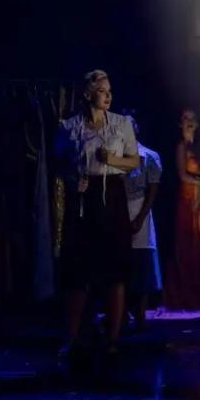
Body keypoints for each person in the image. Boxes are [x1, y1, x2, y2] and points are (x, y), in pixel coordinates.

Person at [54, 70, 140, 360]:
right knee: (78, 271)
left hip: (112, 195)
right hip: (84, 198)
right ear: (88, 94)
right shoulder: (69, 127)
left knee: (115, 268)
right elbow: (58, 163)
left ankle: (113, 338)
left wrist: (112, 159)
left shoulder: (121, 124)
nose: (108, 96)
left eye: (109, 91)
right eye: (102, 91)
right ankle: (71, 337)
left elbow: (133, 161)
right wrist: (71, 179)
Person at [163, 109, 200, 310]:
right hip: (187, 200)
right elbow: (183, 176)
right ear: (180, 123)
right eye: (185, 118)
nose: (189, 122)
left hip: (199, 200)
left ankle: (199, 296)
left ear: (197, 124)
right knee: (187, 246)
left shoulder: (198, 148)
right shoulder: (182, 147)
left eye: (192, 119)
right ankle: (186, 296)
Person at [123, 115, 163, 330]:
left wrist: (140, 217)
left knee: (142, 262)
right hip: (120, 209)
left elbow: (152, 190)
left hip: (141, 210)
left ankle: (140, 312)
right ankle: (121, 311)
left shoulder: (149, 156)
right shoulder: (115, 156)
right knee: (122, 262)